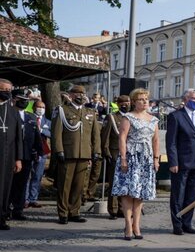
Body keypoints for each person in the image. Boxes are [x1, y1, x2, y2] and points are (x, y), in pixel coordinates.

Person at [111, 89, 160, 240]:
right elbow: (122, 138)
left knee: (140, 194)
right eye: (140, 99)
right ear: (134, 102)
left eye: (146, 99)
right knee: (128, 192)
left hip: (146, 159)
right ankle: (127, 224)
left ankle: (137, 225)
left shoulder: (153, 120)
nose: (144, 102)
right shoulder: (128, 117)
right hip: (132, 157)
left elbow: (156, 140)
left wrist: (156, 159)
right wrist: (123, 158)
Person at [52, 85, 101, 224]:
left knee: (79, 186)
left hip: (84, 153)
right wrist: (59, 150)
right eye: (78, 93)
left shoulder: (90, 112)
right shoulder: (62, 110)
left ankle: (74, 211)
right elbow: (56, 133)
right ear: (71, 95)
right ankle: (63, 213)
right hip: (68, 153)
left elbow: (95, 135)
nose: (81, 95)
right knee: (65, 185)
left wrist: (96, 151)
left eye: (83, 93)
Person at [166, 88, 195, 235]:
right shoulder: (176, 116)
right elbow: (171, 142)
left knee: (192, 195)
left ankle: (187, 223)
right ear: (185, 100)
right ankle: (177, 223)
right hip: (181, 162)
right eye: (193, 99)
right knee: (178, 194)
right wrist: (173, 162)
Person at [9, 90, 43, 221]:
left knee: (22, 184)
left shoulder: (30, 117)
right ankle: (6, 209)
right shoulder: (9, 115)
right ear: (14, 99)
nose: (24, 101)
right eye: (21, 99)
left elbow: (36, 136)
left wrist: (38, 151)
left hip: (27, 155)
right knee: (9, 184)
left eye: (26, 99)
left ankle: (18, 209)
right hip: (11, 155)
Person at [102, 95, 131, 219]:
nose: (125, 105)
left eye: (127, 102)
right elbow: (105, 136)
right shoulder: (112, 117)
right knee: (114, 183)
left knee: (126, 183)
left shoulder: (132, 117)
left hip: (129, 154)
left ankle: (122, 208)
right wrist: (106, 152)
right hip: (115, 153)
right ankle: (113, 209)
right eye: (122, 103)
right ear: (118, 104)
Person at [0, 79, 23, 231]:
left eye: (9, 89)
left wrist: (18, 159)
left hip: (8, 156)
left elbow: (19, 138)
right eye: (4, 89)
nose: (8, 92)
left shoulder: (13, 111)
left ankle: (1, 217)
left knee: (5, 186)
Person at [26, 99, 51, 208]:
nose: (41, 109)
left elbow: (51, 133)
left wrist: (41, 130)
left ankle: (33, 198)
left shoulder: (47, 122)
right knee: (27, 176)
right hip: (29, 150)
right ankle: (25, 199)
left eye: (43, 107)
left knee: (37, 175)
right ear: (33, 108)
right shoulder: (28, 118)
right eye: (39, 107)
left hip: (42, 152)